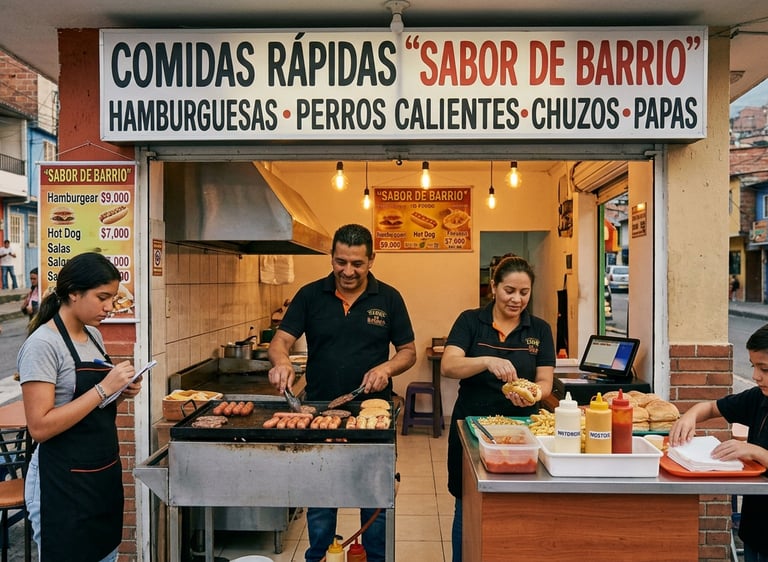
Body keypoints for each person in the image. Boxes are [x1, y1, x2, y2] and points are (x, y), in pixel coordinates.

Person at [268, 224, 416, 562]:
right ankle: (320, 556)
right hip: (319, 413)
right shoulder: (310, 295)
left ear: (371, 260)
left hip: (372, 416)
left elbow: (408, 351)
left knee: (375, 499)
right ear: (332, 258)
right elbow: (281, 341)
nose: (348, 271)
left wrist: (386, 369)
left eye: (357, 264)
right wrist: (282, 362)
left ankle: (376, 557)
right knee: (321, 500)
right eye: (341, 262)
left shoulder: (389, 298)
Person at [17, 252, 143, 562]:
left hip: (101, 475)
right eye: (102, 297)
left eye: (112, 298)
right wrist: (104, 388)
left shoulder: (93, 335)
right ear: (74, 293)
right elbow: (40, 427)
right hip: (61, 482)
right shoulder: (43, 345)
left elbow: (90, 406)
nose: (109, 307)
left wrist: (120, 392)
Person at [440, 255, 555, 562]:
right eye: (509, 290)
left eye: (524, 292)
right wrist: (486, 361)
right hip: (471, 432)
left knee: (518, 509)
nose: (517, 299)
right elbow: (449, 366)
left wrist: (534, 395)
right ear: (493, 287)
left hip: (522, 435)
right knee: (467, 505)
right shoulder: (470, 321)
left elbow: (545, 381)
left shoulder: (540, 330)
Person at [669, 323, 768, 562]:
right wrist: (690, 415)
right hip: (755, 530)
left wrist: (755, 452)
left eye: (765, 368)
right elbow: (712, 407)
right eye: (753, 366)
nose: (756, 376)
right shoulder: (758, 397)